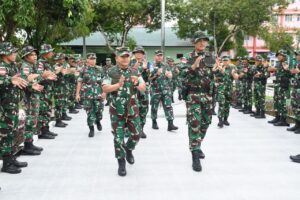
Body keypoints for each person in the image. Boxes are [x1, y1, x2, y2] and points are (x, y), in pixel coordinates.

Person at [102, 47, 146, 176]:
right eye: (122, 56)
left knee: (136, 135)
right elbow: (105, 88)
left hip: (132, 108)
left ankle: (129, 149)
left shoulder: (135, 71)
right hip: (117, 109)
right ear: (116, 58)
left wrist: (137, 83)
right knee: (118, 138)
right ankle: (121, 162)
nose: (125, 58)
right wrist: (117, 85)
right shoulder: (110, 72)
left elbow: (143, 88)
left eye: (127, 56)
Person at [180, 31, 215, 172]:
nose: (202, 43)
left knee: (205, 123)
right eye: (199, 40)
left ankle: (198, 144)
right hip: (193, 95)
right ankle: (195, 154)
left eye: (204, 41)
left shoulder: (210, 57)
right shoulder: (187, 58)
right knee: (194, 123)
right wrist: (192, 67)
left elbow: (215, 75)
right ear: (194, 42)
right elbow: (180, 73)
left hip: (207, 96)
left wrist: (219, 71)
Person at [0, 42, 29, 173]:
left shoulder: (12, 66)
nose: (15, 54)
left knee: (12, 133)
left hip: (12, 105)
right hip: (4, 107)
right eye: (13, 52)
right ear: (5, 54)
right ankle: (6, 163)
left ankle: (11, 158)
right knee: (6, 134)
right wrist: (9, 80)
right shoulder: (2, 66)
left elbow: (19, 81)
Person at [19, 45, 44, 155]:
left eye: (35, 54)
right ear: (25, 56)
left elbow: (33, 79)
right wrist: (32, 85)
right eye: (32, 55)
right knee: (29, 121)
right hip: (28, 98)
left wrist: (36, 84)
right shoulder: (25, 66)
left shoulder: (31, 66)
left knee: (33, 120)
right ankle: (27, 146)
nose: (35, 57)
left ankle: (30, 143)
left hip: (33, 96)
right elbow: (25, 82)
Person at [76, 53, 105, 137]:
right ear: (87, 60)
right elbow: (79, 82)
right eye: (91, 59)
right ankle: (91, 128)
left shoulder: (100, 69)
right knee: (89, 113)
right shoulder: (83, 70)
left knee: (99, 112)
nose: (93, 60)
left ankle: (98, 121)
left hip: (99, 95)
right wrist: (77, 94)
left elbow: (105, 82)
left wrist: (104, 92)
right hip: (87, 95)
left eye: (94, 59)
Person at [149, 50, 178, 131]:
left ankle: (170, 124)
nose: (159, 57)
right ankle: (154, 121)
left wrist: (169, 75)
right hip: (155, 90)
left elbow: (170, 75)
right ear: (155, 56)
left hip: (166, 89)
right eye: (158, 55)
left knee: (168, 106)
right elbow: (149, 78)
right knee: (154, 107)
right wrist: (156, 74)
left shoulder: (166, 65)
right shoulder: (151, 65)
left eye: (161, 55)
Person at [37, 44, 57, 139]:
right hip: (43, 90)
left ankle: (46, 129)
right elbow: (39, 75)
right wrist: (47, 76)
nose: (52, 53)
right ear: (45, 53)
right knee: (43, 111)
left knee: (47, 110)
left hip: (48, 90)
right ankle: (43, 131)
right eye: (50, 51)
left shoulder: (46, 62)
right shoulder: (40, 63)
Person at [213, 56, 239, 128]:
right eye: (224, 61)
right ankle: (220, 121)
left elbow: (236, 77)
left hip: (229, 89)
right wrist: (219, 69)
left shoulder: (232, 67)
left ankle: (225, 119)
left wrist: (233, 74)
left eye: (226, 61)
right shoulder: (219, 66)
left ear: (229, 61)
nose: (225, 62)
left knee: (227, 104)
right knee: (221, 104)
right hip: (221, 88)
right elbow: (214, 76)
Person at [130, 46, 150, 139]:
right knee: (131, 110)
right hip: (132, 90)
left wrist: (146, 69)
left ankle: (141, 129)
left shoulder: (148, 63)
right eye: (137, 53)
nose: (139, 54)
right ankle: (129, 129)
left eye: (140, 53)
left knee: (143, 110)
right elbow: (130, 73)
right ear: (134, 54)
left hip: (143, 90)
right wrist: (139, 68)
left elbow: (151, 76)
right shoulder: (129, 62)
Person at [268, 50, 290, 126]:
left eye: (280, 55)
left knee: (282, 103)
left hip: (283, 86)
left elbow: (289, 73)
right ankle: (277, 117)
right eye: (278, 55)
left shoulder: (286, 63)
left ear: (284, 56)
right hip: (278, 85)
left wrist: (276, 69)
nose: (278, 56)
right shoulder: (278, 63)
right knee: (276, 102)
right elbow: (274, 71)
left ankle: (283, 120)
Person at [287, 51, 300, 133]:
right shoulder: (297, 64)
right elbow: (293, 73)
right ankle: (297, 124)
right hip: (295, 88)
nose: (296, 56)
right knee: (295, 106)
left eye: (298, 55)